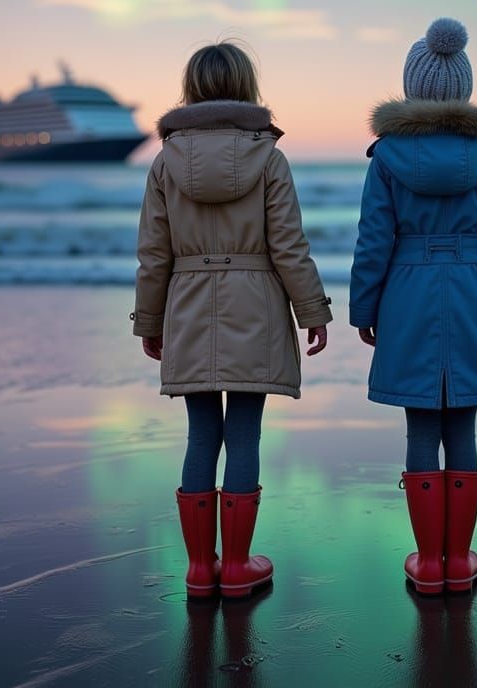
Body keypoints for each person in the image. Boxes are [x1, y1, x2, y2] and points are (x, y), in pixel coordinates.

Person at [132, 41, 333, 599]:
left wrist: (150, 321)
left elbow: (154, 253)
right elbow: (288, 245)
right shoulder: (268, 156)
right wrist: (313, 311)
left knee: (202, 434)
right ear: (247, 86)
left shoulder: (164, 161)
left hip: (189, 303)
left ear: (191, 88)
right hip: (258, 303)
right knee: (244, 435)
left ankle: (200, 570)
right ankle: (238, 567)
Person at [349, 18, 477, 595]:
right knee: (464, 421)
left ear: (411, 87)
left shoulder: (387, 157)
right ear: (465, 89)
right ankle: (459, 556)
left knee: (420, 424)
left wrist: (363, 308)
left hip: (407, 291)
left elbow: (373, 239)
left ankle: (429, 563)